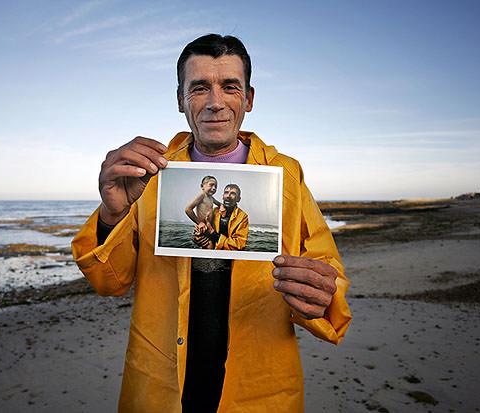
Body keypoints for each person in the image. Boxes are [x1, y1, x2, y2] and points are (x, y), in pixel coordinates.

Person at [72, 33, 352, 412]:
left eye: (230, 87)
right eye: (200, 88)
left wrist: (321, 294)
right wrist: (112, 214)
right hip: (161, 379)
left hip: (260, 382)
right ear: (180, 99)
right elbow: (110, 281)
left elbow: (326, 269)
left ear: (249, 98)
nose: (216, 103)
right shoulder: (148, 175)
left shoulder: (285, 174)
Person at [193, 183, 248, 251]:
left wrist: (212, 233)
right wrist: (197, 237)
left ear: (238, 199)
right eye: (226, 192)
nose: (228, 196)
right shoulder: (214, 211)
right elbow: (201, 227)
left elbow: (238, 245)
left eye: (233, 193)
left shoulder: (242, 217)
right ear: (222, 196)